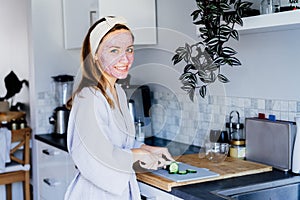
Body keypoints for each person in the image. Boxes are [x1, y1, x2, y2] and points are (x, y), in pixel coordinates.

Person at [64, 16, 174, 200]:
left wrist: (146, 149)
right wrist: (136, 154)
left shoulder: (118, 92)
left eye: (129, 49)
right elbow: (93, 158)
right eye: (114, 50)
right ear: (95, 54)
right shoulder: (89, 97)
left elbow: (119, 143)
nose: (125, 58)